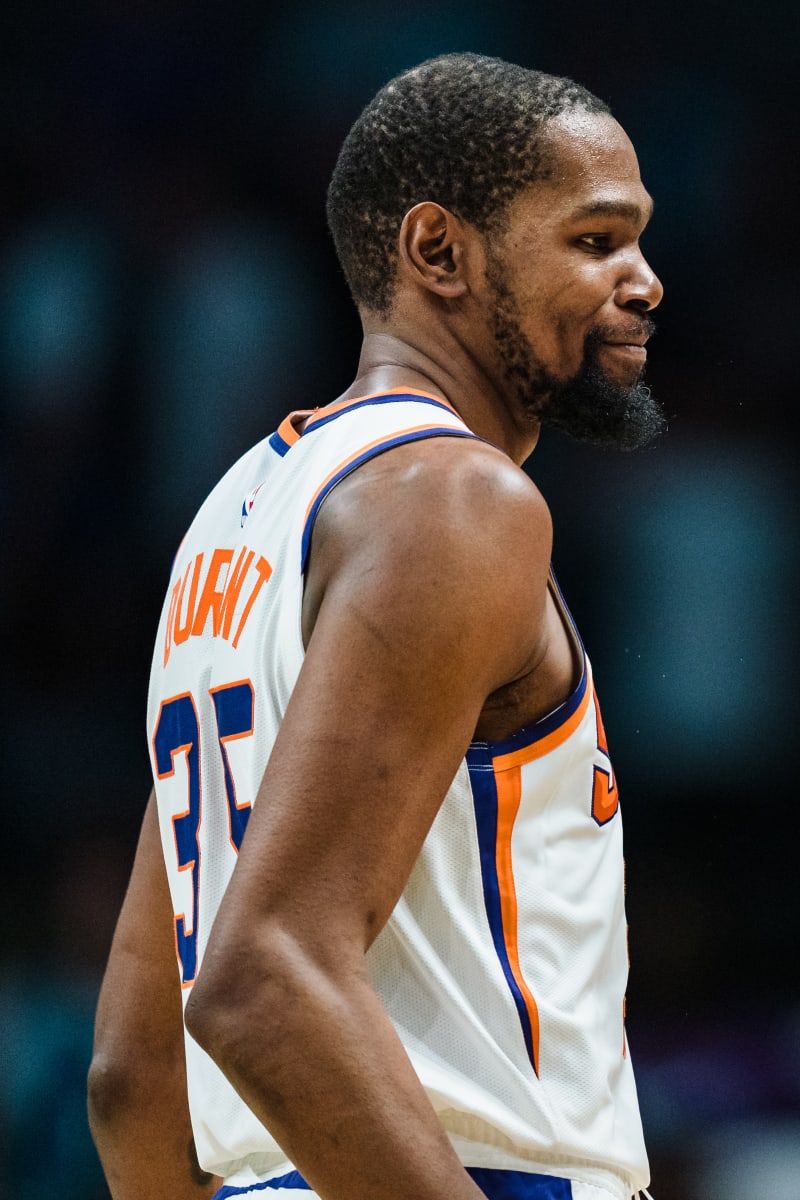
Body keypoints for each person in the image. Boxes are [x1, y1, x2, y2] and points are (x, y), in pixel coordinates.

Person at [87, 54, 663, 1200]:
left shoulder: (239, 515)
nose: (644, 281)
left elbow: (132, 1077)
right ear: (439, 251)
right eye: (596, 240)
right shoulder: (460, 502)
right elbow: (263, 976)